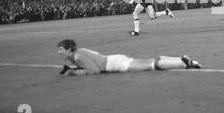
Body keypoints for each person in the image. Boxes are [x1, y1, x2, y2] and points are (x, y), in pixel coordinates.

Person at [57, 39, 201, 76]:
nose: (59, 52)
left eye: (61, 49)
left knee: (151, 66)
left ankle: (183, 63)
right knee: (151, 61)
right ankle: (186, 61)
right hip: (115, 59)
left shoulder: (78, 56)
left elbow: (94, 71)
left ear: (69, 49)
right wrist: (73, 67)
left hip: (116, 65)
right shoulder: (80, 51)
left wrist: (74, 72)